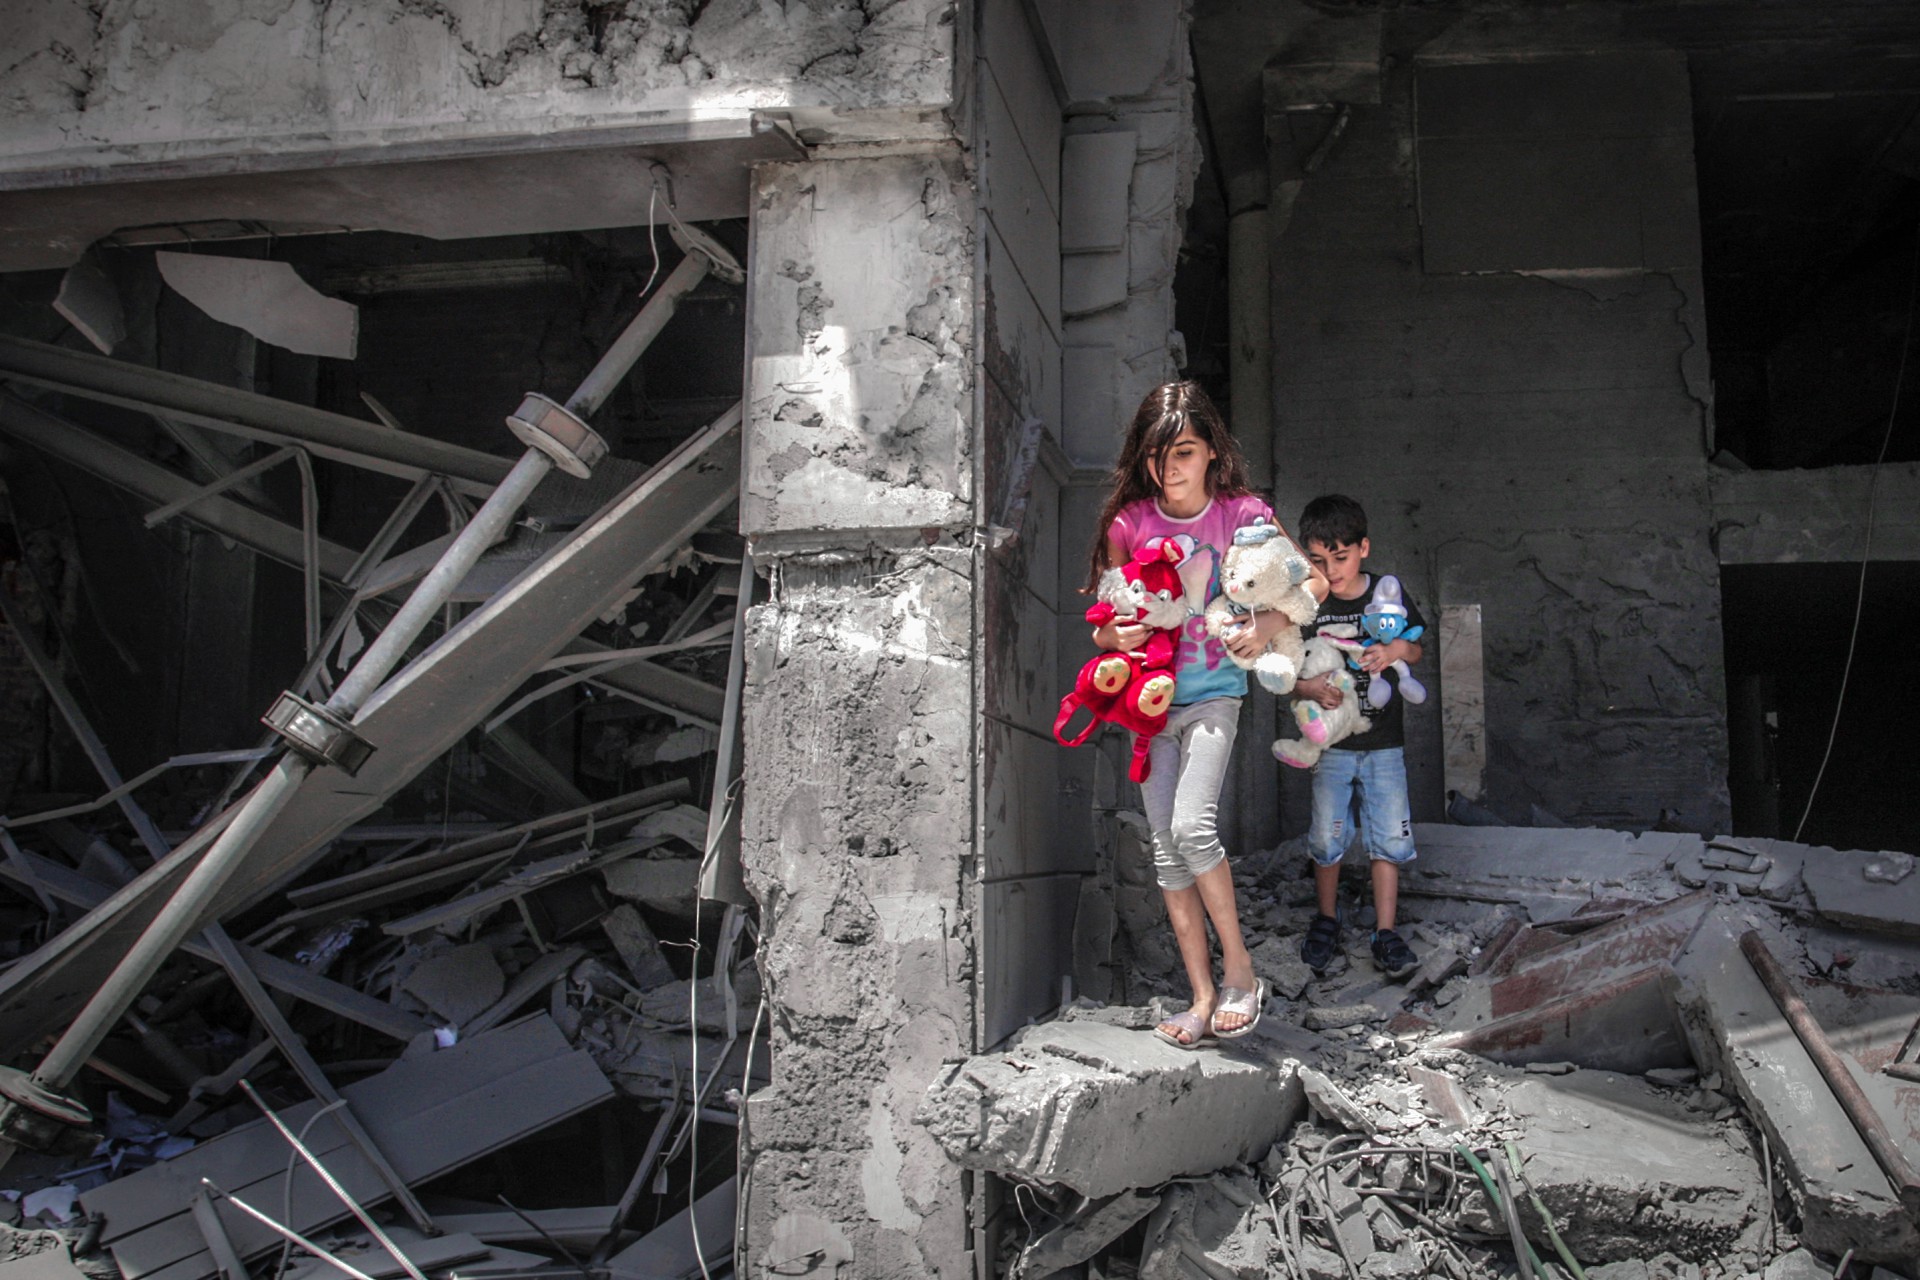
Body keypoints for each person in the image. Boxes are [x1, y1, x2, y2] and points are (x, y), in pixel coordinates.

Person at [1086, 381, 1327, 1047]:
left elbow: (1315, 581)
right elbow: (1104, 627)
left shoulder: (1242, 514)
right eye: (1159, 457)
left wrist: (1268, 621)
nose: (1172, 469)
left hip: (1216, 695)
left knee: (1193, 828)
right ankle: (1199, 997)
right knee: (1166, 851)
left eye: (1185, 452)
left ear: (1211, 453)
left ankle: (1242, 974)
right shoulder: (1128, 525)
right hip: (1149, 704)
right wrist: (1117, 638)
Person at [1291, 494, 1425, 980]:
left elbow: (1415, 650)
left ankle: (1385, 932)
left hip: (1384, 745)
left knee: (1388, 836)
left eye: (1341, 558)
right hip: (1331, 748)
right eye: (1319, 562)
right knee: (1327, 837)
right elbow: (1281, 670)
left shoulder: (1387, 592)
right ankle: (1326, 919)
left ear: (1363, 548)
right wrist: (1308, 687)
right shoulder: (1307, 605)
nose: (1332, 571)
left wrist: (1392, 653)